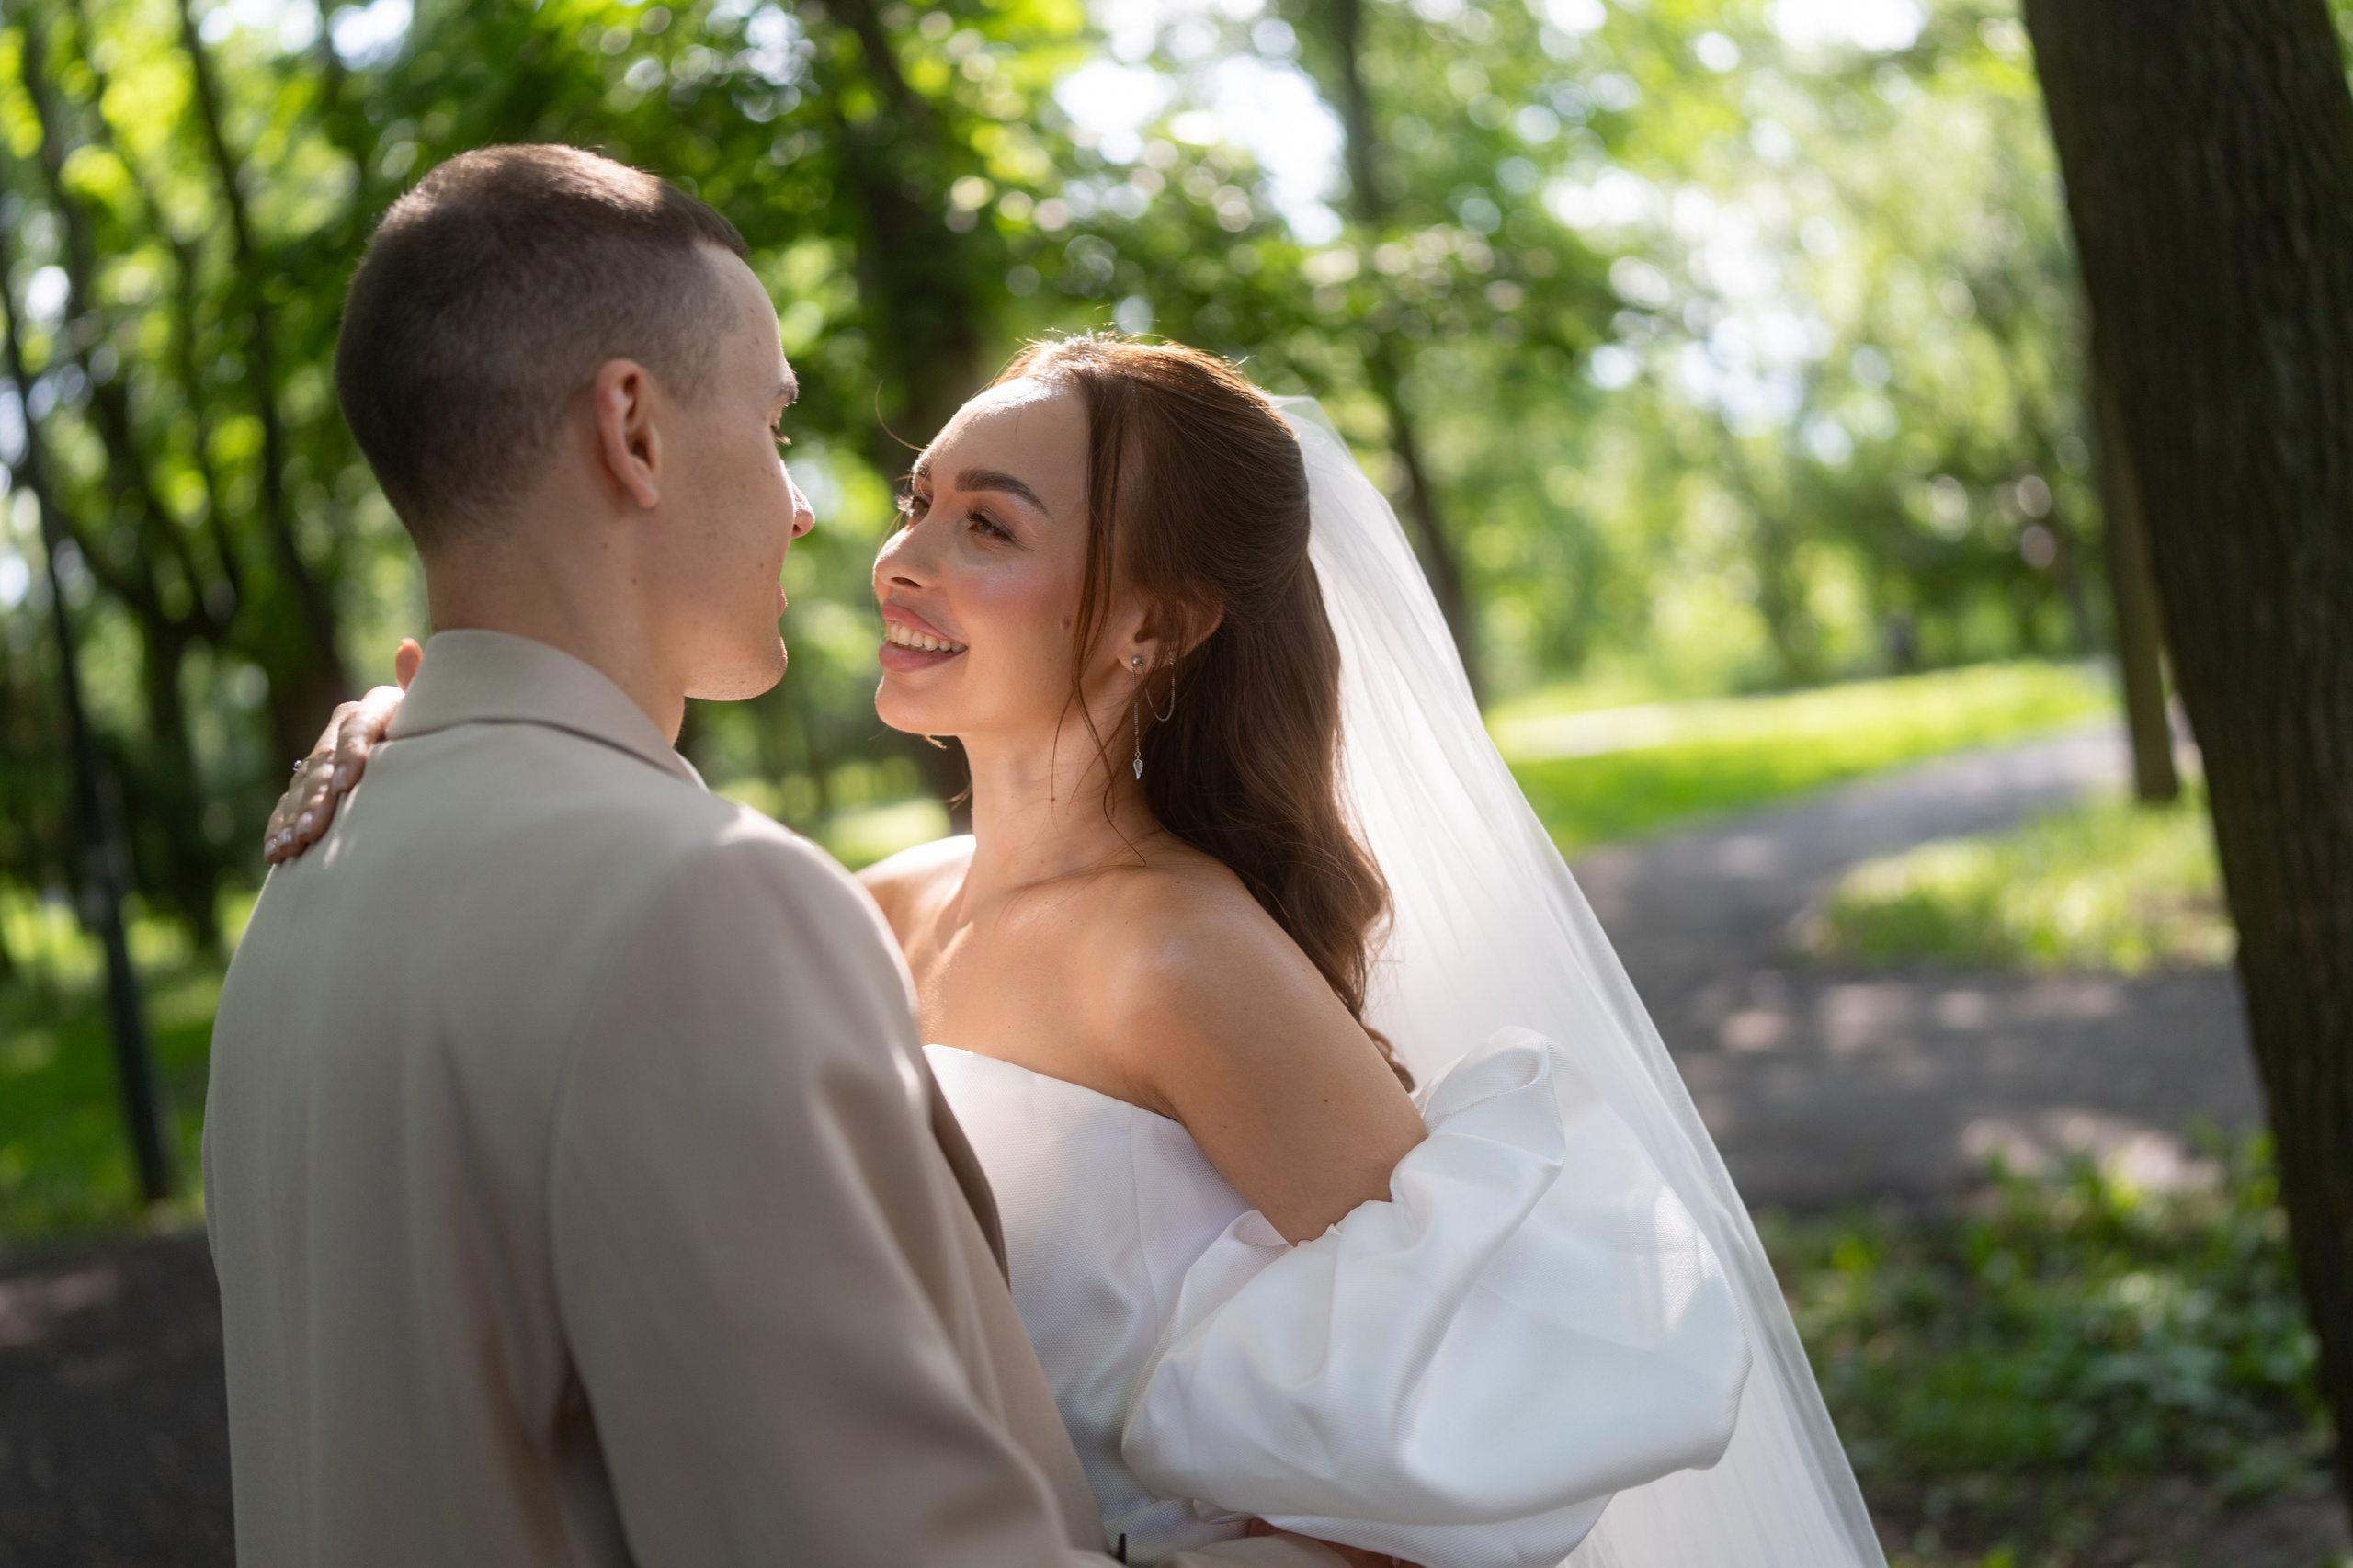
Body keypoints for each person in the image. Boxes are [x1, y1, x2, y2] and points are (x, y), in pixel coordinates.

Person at [275, 331, 1889, 1565]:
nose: (903, 557)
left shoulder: (1181, 958)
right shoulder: (866, 905)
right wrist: (441, 733)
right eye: (919, 502)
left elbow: (1480, 1419)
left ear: (1151, 623)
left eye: (989, 525)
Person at [210, 144, 1357, 1568]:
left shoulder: (310, 876)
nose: (807, 507)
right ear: (633, 430)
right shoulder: (705, 905)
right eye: (771, 422)